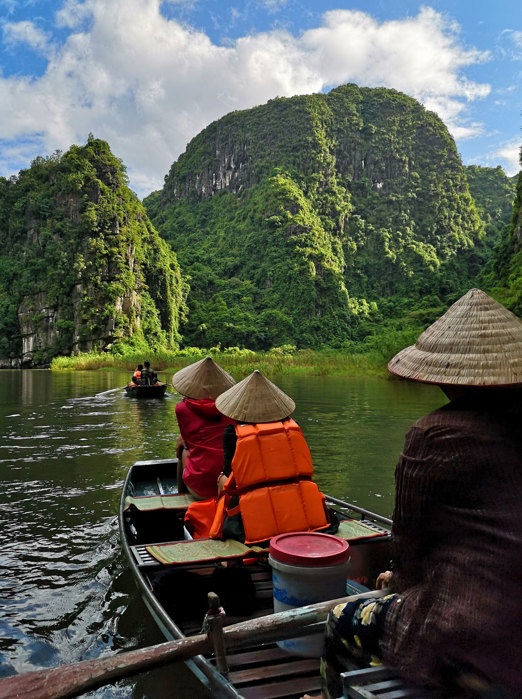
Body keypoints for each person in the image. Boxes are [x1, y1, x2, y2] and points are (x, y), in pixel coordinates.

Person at [314, 289, 522, 698]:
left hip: (467, 632)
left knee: (340, 618)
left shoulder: (434, 436)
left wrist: (398, 581)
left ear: (444, 375)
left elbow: (408, 551)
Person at [209, 369, 330, 545]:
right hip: (300, 509)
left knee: (223, 479)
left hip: (255, 521)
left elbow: (231, 475)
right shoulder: (291, 428)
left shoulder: (233, 433)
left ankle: (222, 537)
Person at [172, 356, 236, 500]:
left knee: (182, 448)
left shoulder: (182, 409)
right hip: (229, 485)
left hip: (201, 489)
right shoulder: (231, 408)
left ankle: (181, 495)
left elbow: (187, 442)